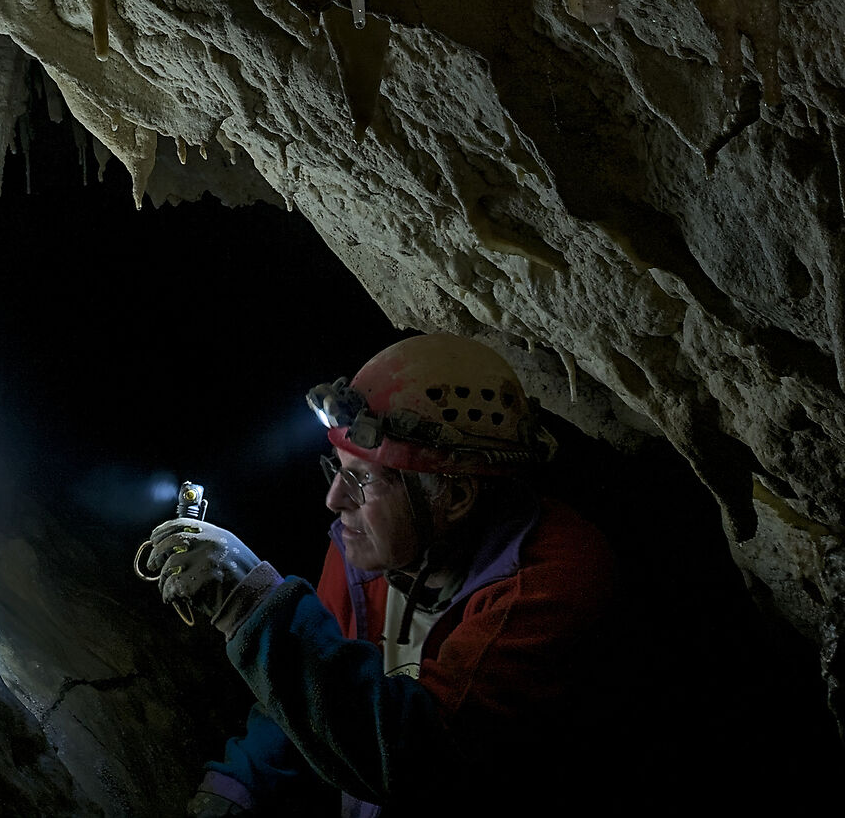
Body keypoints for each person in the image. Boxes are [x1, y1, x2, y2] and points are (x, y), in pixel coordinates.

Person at [138, 333, 614, 816]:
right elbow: (318, 680)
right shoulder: (371, 548)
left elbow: (420, 761)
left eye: (362, 478)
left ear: (455, 496)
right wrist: (235, 787)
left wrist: (251, 603)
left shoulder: (550, 588)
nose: (334, 500)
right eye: (338, 469)